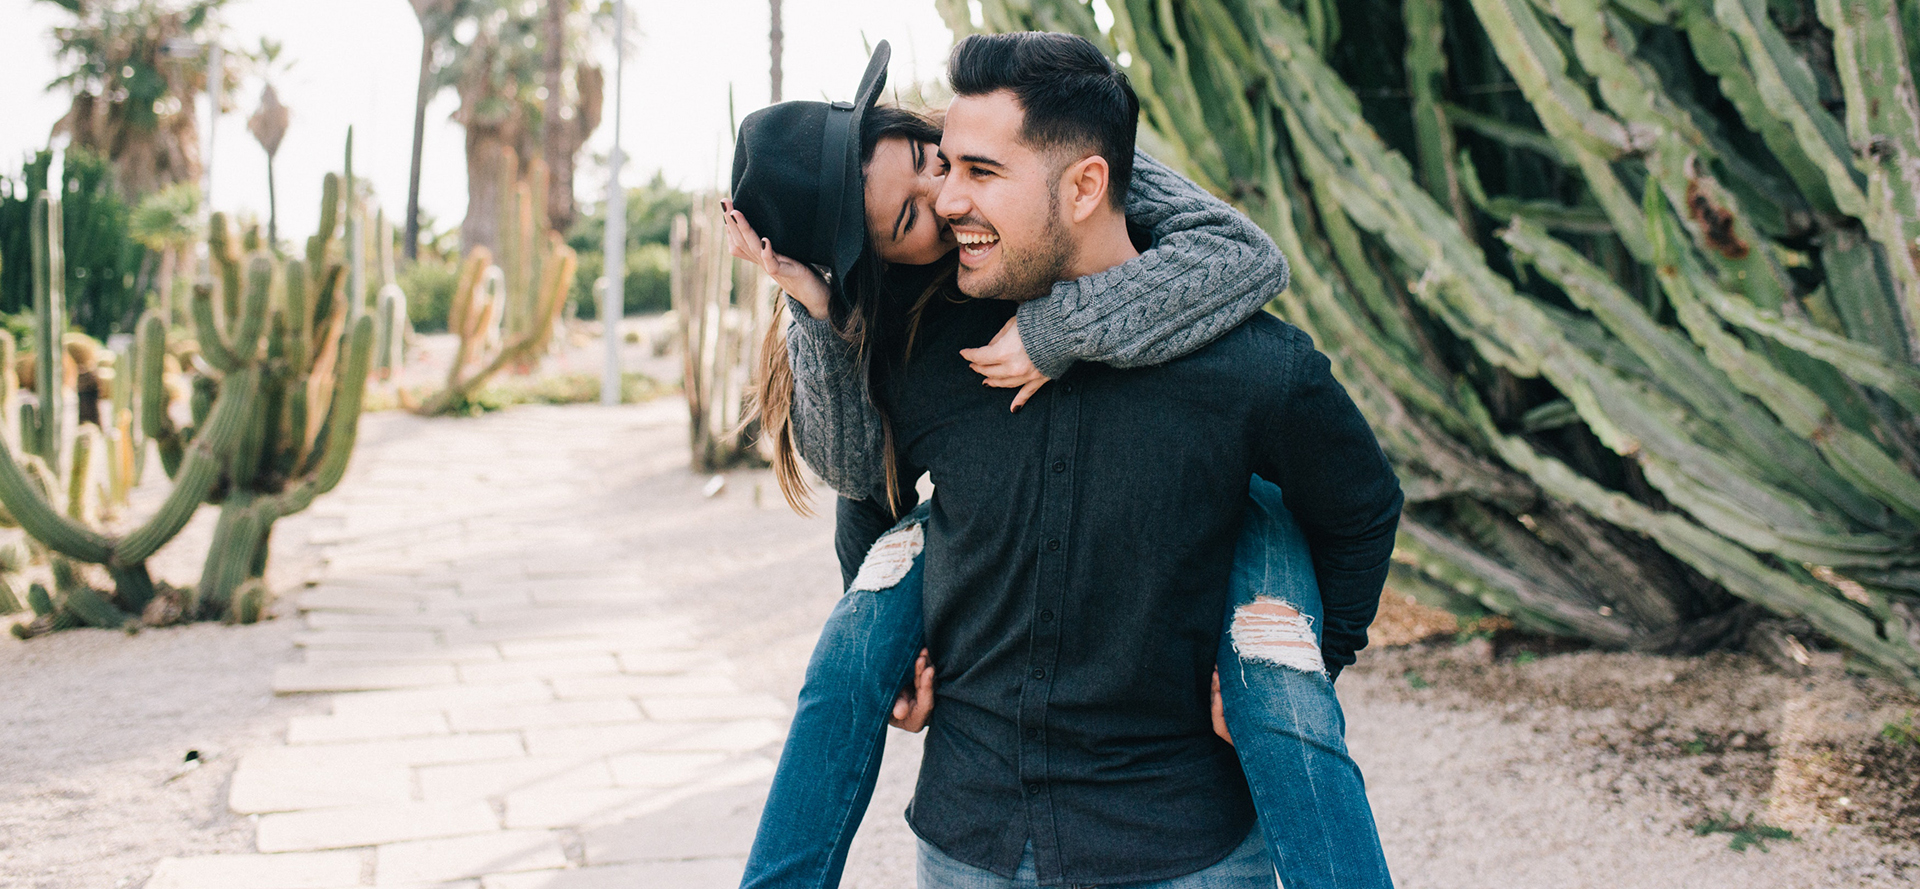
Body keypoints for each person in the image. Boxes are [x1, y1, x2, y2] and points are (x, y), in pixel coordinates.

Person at [727, 38, 1398, 889]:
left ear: (1083, 184)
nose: (949, 199)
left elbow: (1362, 506)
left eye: (965, 168)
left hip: (1184, 848)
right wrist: (898, 657)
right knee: (843, 660)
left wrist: (1302, 666)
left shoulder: (1243, 358)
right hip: (973, 839)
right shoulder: (916, 337)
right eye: (917, 209)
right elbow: (870, 493)